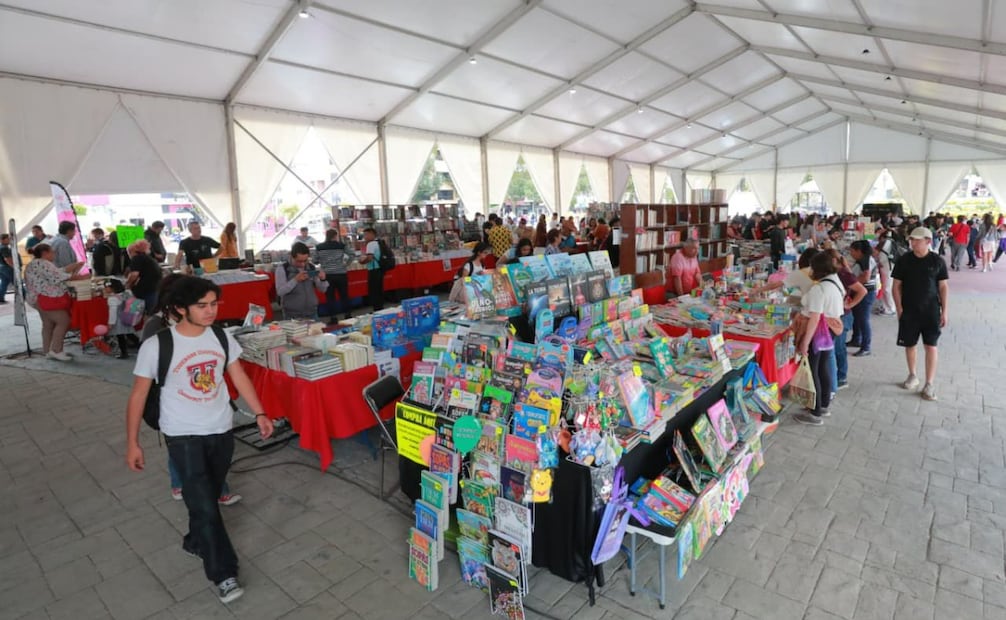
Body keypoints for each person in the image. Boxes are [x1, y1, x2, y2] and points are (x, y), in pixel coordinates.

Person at [126, 276, 273, 604]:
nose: (211, 311)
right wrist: (132, 442)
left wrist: (260, 413)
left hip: (221, 429)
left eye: (214, 304)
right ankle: (223, 573)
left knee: (205, 496)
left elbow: (238, 377)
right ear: (180, 309)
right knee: (206, 505)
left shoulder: (221, 337)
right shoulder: (157, 346)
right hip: (182, 434)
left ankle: (195, 541)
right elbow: (138, 396)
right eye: (202, 306)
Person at [892, 227, 948, 402]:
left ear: (928, 241)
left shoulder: (937, 261)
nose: (913, 242)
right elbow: (896, 286)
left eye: (917, 240)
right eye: (912, 239)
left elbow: (943, 287)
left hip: (931, 310)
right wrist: (899, 309)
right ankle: (912, 375)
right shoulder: (904, 260)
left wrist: (944, 311)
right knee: (910, 344)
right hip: (909, 310)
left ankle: (929, 383)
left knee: (931, 345)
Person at [793, 252, 845, 426]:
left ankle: (814, 413)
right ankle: (823, 404)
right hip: (830, 330)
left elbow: (815, 318)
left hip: (818, 332)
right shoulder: (834, 282)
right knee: (823, 367)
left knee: (814, 369)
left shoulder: (819, 289)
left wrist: (805, 343)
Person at [23, 243, 87, 361]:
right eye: (52, 252)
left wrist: (74, 266)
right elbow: (59, 276)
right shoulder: (43, 263)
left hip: (37, 298)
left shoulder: (35, 263)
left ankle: (47, 350)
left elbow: (58, 272)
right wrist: (82, 277)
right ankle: (56, 350)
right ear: (45, 253)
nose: (54, 254)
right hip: (46, 298)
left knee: (48, 324)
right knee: (64, 321)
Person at [276, 242, 328, 319]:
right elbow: (280, 291)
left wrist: (323, 279)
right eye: (299, 261)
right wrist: (295, 280)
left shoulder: (311, 267)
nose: (303, 264)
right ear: (292, 257)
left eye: (305, 260)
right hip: (292, 315)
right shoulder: (282, 269)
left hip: (312, 312)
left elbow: (323, 290)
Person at [847, 240, 878, 356]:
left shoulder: (866, 259)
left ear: (859, 251)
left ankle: (866, 347)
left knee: (863, 319)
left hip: (866, 293)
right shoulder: (862, 259)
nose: (851, 253)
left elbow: (866, 277)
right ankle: (856, 339)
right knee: (857, 316)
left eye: (852, 251)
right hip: (860, 291)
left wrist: (851, 283)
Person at [315, 229, 353, 322]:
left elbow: (315, 260)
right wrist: (346, 264)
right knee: (344, 295)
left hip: (327, 275)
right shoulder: (341, 245)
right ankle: (347, 315)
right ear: (335, 236)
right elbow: (352, 254)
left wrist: (324, 262)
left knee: (330, 297)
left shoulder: (319, 247)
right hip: (341, 274)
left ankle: (333, 318)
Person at [125, 239, 163, 312]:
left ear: (131, 251)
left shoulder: (136, 259)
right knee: (151, 312)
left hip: (145, 291)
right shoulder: (148, 258)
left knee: (141, 312)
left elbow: (134, 274)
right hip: (154, 288)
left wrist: (128, 284)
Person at [358, 228, 384, 312]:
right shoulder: (379, 243)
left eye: (366, 234)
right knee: (379, 289)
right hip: (380, 268)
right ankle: (380, 307)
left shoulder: (370, 244)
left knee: (374, 290)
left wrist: (362, 262)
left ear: (372, 234)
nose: (364, 237)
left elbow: (369, 258)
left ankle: (377, 309)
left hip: (373, 269)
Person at [0, 234, 13, 304]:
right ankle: (24, 296)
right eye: (8, 239)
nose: (9, 240)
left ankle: (0, 298)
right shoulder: (4, 248)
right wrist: (13, 266)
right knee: (16, 281)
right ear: (2, 240)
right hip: (6, 267)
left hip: (1, 267)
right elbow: (7, 259)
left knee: (4, 283)